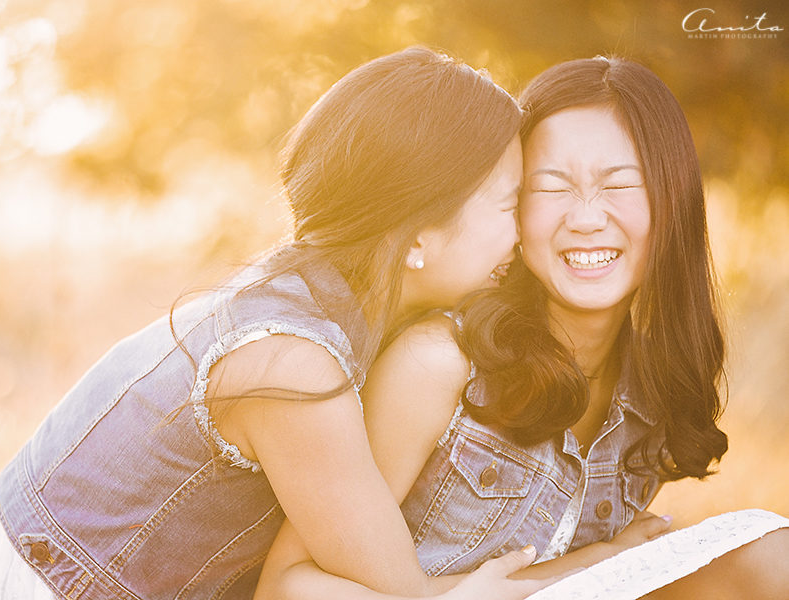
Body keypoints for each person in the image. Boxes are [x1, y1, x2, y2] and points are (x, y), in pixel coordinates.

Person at [0, 47, 549, 600]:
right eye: (507, 205)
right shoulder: (292, 362)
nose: (522, 235)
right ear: (419, 232)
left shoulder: (318, 295)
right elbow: (394, 588)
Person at [255, 56, 789, 599]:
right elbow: (285, 588)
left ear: (672, 202)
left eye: (619, 186)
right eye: (550, 187)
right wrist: (601, 560)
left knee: (772, 554)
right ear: (511, 206)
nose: (585, 218)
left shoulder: (652, 391)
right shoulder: (440, 364)